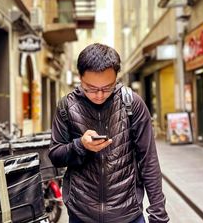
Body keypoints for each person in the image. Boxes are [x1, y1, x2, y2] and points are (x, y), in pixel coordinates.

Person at [49, 43, 169, 223]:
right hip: (81, 214)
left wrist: (158, 215)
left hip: (128, 214)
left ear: (116, 78)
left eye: (107, 88)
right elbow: (55, 155)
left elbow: (148, 160)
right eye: (90, 88)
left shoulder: (132, 104)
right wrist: (80, 145)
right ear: (80, 78)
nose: (99, 95)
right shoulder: (66, 106)